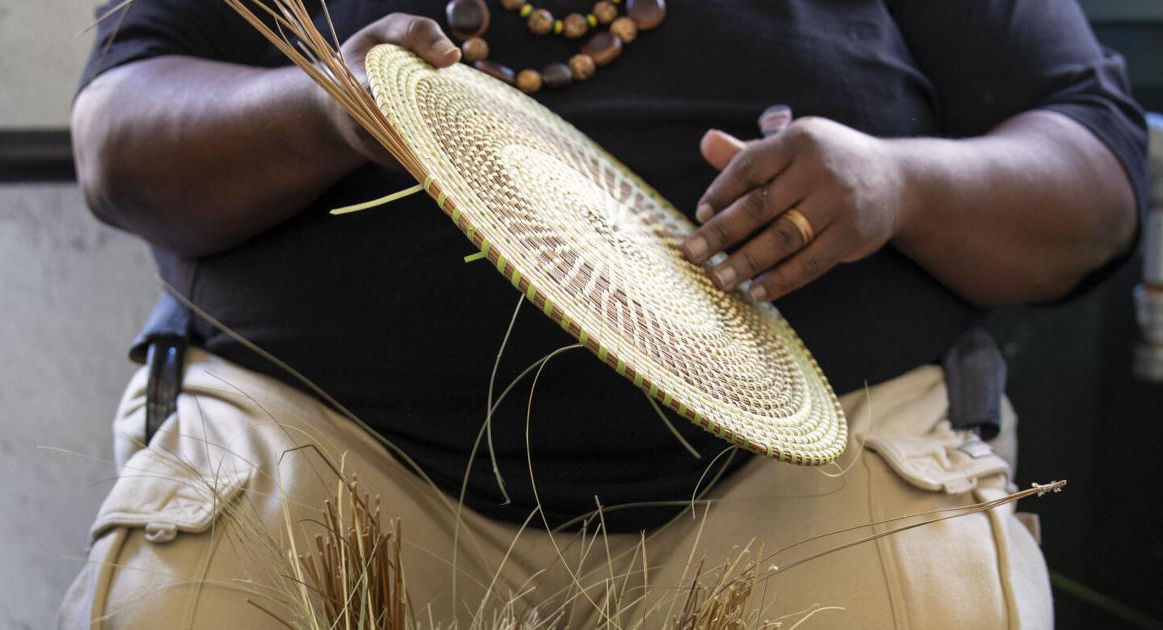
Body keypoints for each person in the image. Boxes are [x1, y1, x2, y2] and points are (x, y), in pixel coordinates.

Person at [60, 1, 1148, 628]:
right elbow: (118, 140)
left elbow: (1094, 178)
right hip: (330, 445)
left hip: (813, 466)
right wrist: (326, 111)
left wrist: (898, 184)